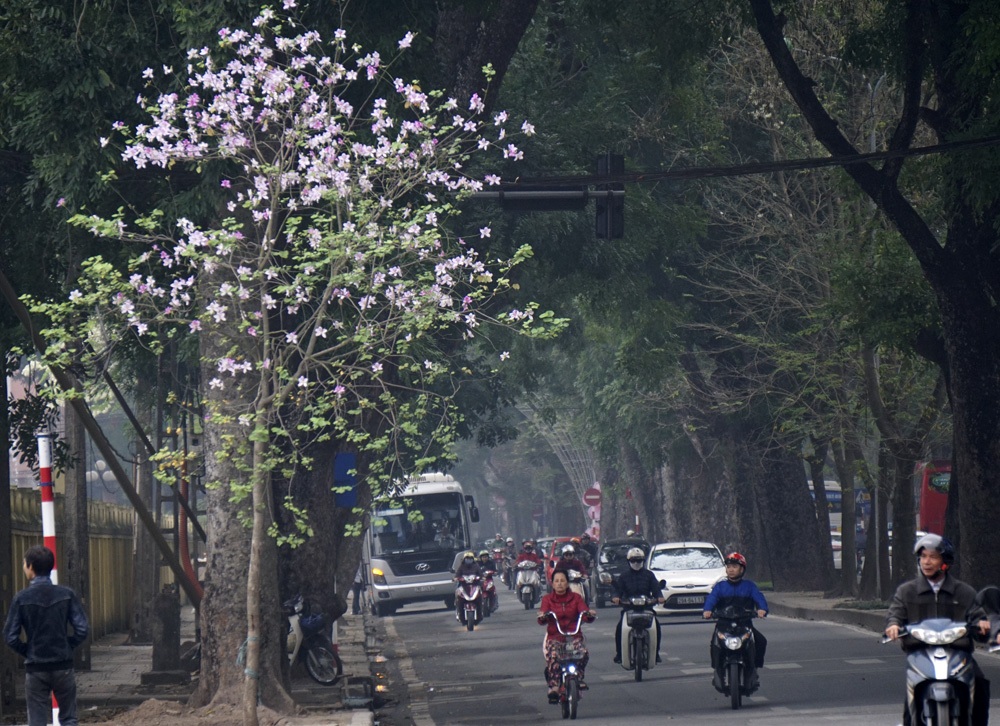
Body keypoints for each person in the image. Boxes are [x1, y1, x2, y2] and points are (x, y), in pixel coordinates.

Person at [884, 533, 991, 726]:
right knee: (913, 688)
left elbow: (977, 614)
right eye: (923, 556)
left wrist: (983, 624)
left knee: (980, 683)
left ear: (945, 562)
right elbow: (896, 613)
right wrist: (893, 625)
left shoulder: (964, 591)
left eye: (933, 557)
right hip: (920, 652)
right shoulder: (907, 591)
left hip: (958, 653)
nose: (927, 562)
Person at [3, 545, 89, 726]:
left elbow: (10, 636)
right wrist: (67, 646)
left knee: (37, 721)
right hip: (63, 666)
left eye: (24, 564)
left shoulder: (21, 598)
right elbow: (82, 629)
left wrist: (28, 650)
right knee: (69, 719)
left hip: (36, 668)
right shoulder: (67, 594)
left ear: (31, 566)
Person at [702, 551, 768, 692]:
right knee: (715, 644)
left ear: (742, 569)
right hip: (723, 625)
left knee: (761, 641)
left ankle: (754, 668)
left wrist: (762, 609)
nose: (731, 569)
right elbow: (711, 599)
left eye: (734, 567)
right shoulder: (720, 587)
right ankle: (718, 670)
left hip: (744, 624)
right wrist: (707, 610)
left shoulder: (749, 586)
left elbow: (759, 598)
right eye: (729, 567)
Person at [538, 568, 596, 703]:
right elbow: (542, 617)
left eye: (562, 581)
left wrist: (589, 614)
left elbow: (584, 613)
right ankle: (554, 686)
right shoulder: (547, 599)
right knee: (553, 655)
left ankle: (579, 677)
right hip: (555, 637)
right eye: (557, 581)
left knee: (583, 653)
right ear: (552, 583)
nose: (559, 583)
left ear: (567, 583)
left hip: (574, 636)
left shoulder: (576, 598)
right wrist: (543, 616)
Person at [612, 546, 664, 664]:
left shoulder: (649, 575)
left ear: (643, 561)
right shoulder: (624, 576)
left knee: (657, 627)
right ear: (628, 561)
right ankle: (619, 654)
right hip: (629, 608)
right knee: (619, 629)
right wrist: (616, 597)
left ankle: (655, 653)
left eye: (639, 560)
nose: (636, 563)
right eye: (633, 560)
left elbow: (656, 588)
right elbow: (618, 590)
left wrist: (659, 597)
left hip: (646, 608)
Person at [453, 551, 483, 621]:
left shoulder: (476, 566)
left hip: (474, 585)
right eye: (467, 558)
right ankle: (458, 612)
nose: (469, 560)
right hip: (463, 585)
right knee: (458, 594)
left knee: (480, 594)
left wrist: (480, 577)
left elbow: (480, 574)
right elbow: (457, 575)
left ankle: (480, 612)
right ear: (464, 559)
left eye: (470, 558)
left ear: (473, 559)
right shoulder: (461, 566)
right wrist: (456, 578)